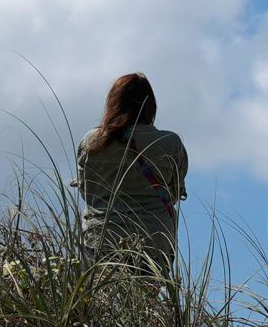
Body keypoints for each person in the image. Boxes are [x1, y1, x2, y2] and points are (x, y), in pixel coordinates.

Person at [75, 73, 188, 270]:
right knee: (144, 299)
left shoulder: (92, 142)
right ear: (150, 105)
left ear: (113, 103)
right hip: (154, 243)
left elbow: (87, 192)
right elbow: (174, 193)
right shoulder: (170, 143)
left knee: (101, 299)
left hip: (100, 239)